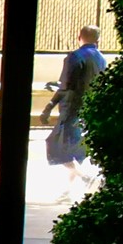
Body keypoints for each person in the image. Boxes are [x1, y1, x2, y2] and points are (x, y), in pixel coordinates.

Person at [44, 24, 106, 200]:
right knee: (74, 149)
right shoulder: (101, 59)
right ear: (98, 40)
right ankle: (68, 191)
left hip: (72, 110)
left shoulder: (74, 57)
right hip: (90, 110)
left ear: (79, 37)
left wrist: (49, 107)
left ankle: (86, 177)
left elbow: (66, 87)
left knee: (56, 146)